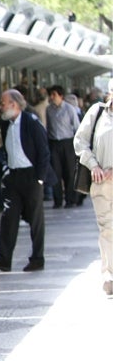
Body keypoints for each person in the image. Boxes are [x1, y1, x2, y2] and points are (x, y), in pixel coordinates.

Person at [0, 89, 50, 273]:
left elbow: (44, 151)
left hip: (31, 176)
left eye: (3, 103)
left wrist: (40, 179)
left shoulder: (31, 122)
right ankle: (4, 258)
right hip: (13, 176)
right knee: (8, 217)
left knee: (35, 219)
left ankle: (37, 258)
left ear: (14, 104)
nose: (0, 106)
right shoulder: (6, 124)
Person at [74, 80, 113, 295]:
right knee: (107, 229)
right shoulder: (97, 112)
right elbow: (80, 141)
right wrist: (93, 165)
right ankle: (109, 274)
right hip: (101, 184)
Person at [47, 85, 82, 208]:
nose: (52, 97)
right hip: (54, 143)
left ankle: (70, 199)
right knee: (56, 172)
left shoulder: (69, 109)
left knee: (69, 172)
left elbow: (77, 127)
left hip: (68, 142)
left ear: (61, 96)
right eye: (50, 95)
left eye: (54, 95)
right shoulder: (49, 110)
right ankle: (57, 200)